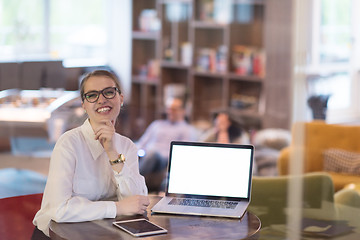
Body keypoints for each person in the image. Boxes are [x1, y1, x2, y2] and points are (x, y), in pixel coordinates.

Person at [32, 70, 149, 238]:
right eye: (92, 95)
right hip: (58, 236)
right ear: (84, 105)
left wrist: (112, 152)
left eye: (109, 92)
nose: (101, 100)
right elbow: (59, 209)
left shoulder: (127, 146)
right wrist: (118, 207)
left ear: (121, 99)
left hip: (101, 233)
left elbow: (136, 202)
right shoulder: (68, 144)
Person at [136, 97, 198, 190]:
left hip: (164, 161)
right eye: (169, 109)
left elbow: (185, 152)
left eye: (174, 109)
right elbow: (141, 143)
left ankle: (134, 183)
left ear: (183, 111)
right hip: (145, 155)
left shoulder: (187, 130)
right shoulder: (157, 124)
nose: (170, 112)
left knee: (152, 153)